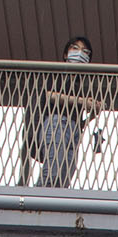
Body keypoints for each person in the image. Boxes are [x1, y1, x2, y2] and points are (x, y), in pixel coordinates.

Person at [25, 35, 103, 188]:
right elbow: (49, 95)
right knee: (53, 172)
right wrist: (81, 101)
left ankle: (43, 200)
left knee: (65, 174)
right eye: (75, 48)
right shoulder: (57, 73)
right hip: (56, 122)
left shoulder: (79, 84)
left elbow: (79, 122)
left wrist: (92, 114)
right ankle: (37, 201)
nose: (80, 54)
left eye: (85, 52)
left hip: (72, 129)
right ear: (66, 54)